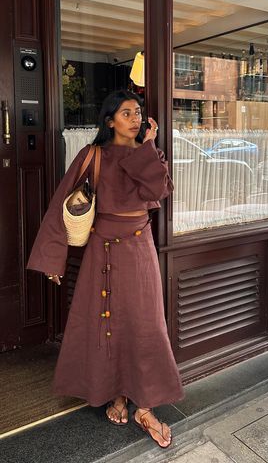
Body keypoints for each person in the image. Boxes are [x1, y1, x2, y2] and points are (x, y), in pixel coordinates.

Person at [27, 89, 185, 448]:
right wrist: (54, 257)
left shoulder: (148, 152)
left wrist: (148, 145)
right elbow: (60, 202)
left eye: (138, 112)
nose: (135, 118)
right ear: (109, 120)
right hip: (101, 250)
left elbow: (161, 190)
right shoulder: (93, 154)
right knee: (106, 324)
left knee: (145, 326)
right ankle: (116, 394)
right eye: (126, 113)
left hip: (140, 247)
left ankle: (144, 405)